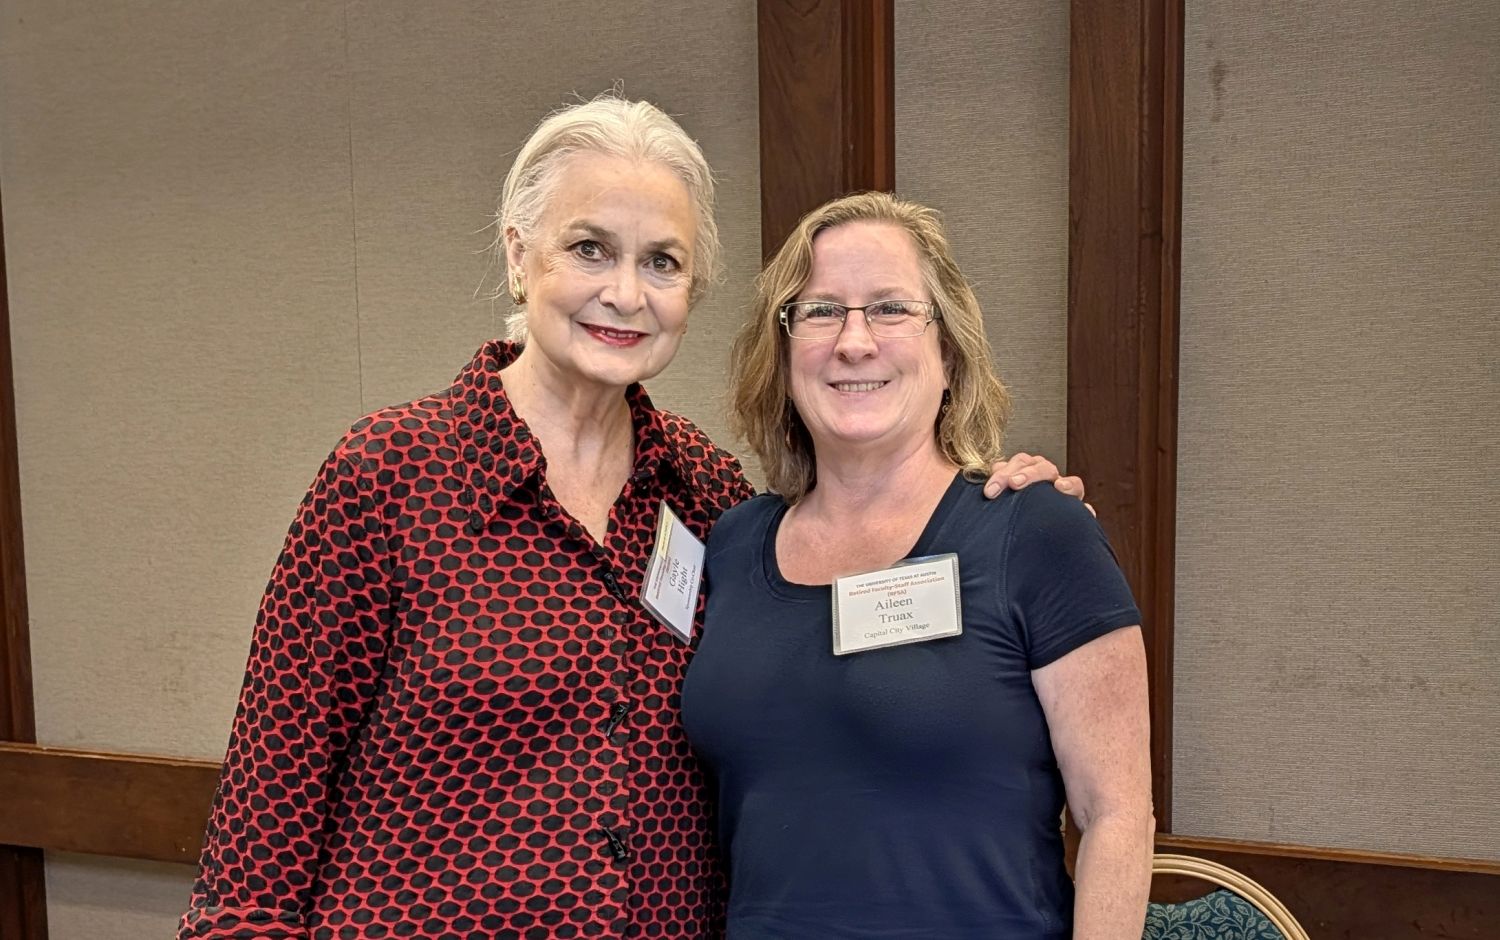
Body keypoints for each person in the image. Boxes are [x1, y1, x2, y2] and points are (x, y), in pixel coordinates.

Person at [179, 98, 1083, 940]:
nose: (625, 293)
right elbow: (263, 823)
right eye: (589, 249)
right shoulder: (390, 477)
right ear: (517, 256)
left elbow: (854, 580)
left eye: (662, 262)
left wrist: (1003, 508)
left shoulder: (708, 493)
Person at [682, 191, 1154, 939]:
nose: (855, 341)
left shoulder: (1036, 531)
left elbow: (1117, 816)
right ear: (783, 353)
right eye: (820, 311)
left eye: (891, 309)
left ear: (949, 354)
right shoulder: (732, 545)